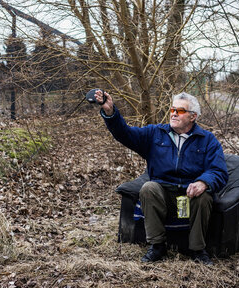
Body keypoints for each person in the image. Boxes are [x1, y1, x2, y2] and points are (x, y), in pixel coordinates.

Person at [96, 91, 228, 265]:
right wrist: (111, 112)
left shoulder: (207, 140)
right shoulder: (155, 134)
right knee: (149, 188)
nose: (173, 113)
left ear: (192, 116)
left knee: (204, 196)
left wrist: (203, 182)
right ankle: (157, 246)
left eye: (180, 111)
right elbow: (125, 134)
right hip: (164, 194)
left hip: (190, 195)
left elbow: (218, 171)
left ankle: (197, 250)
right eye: (172, 109)